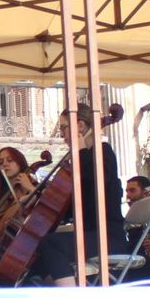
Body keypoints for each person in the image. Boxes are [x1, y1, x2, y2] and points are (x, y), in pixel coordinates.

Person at [27, 104, 122, 287]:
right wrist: (36, 198)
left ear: (79, 126)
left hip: (108, 237)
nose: (62, 135)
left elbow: (99, 182)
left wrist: (79, 152)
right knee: (35, 259)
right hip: (91, 236)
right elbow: (68, 208)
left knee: (51, 244)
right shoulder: (81, 159)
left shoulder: (103, 152)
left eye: (63, 127)